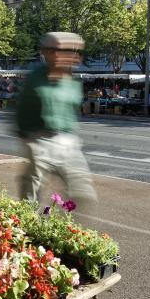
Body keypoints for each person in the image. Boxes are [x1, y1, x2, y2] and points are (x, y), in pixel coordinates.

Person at [15, 32, 98, 214]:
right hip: (39, 139)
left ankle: (68, 231)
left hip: (67, 140)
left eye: (76, 52)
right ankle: (29, 225)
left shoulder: (72, 81)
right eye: (67, 51)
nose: (74, 56)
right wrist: (26, 136)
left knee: (82, 191)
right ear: (49, 53)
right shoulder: (36, 77)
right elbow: (21, 107)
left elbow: (72, 110)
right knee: (31, 189)